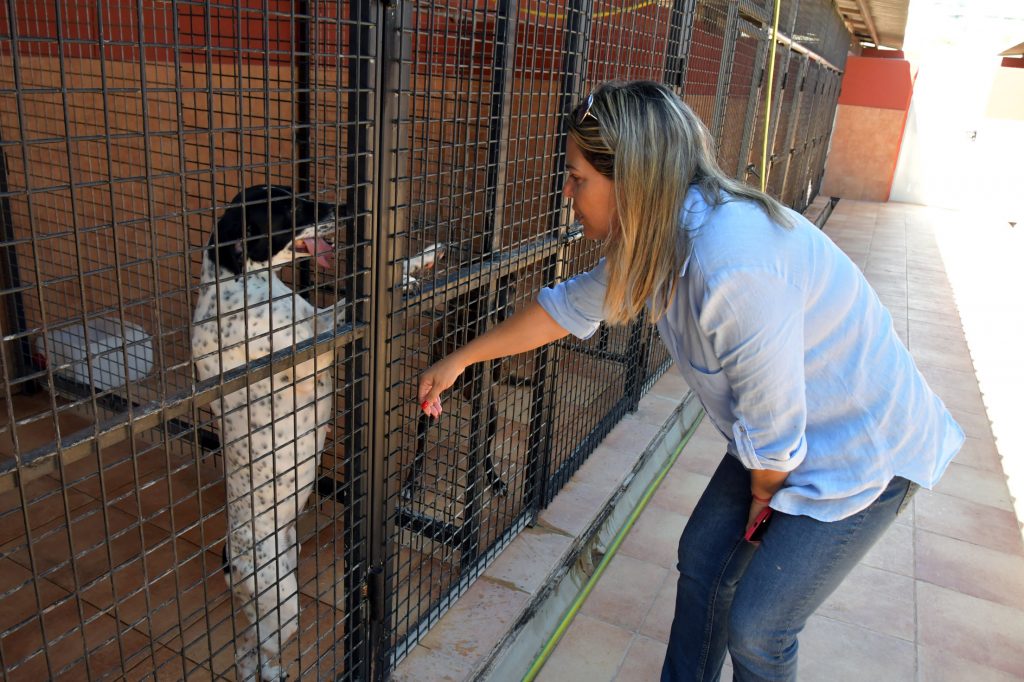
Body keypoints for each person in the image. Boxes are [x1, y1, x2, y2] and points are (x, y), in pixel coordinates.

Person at [417, 80, 964, 681]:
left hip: (862, 449)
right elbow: (567, 306)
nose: (567, 193)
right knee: (704, 557)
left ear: (632, 177)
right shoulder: (658, 237)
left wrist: (764, 501)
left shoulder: (729, 260)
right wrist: (462, 359)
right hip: (785, 435)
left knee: (760, 629)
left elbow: (775, 424)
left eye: (578, 178)